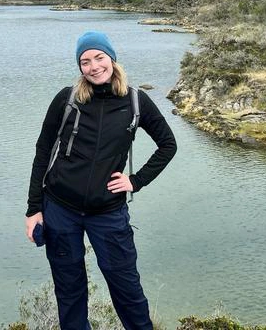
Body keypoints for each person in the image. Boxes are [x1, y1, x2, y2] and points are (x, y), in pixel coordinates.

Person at [26, 30, 177, 330]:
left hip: (108, 212)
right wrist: (34, 209)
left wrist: (136, 181)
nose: (94, 67)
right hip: (60, 209)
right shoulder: (67, 99)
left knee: (127, 289)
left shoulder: (136, 101)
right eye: (85, 61)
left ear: (112, 58)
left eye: (99, 58)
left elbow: (168, 145)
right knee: (69, 291)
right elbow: (43, 151)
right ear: (79, 66)